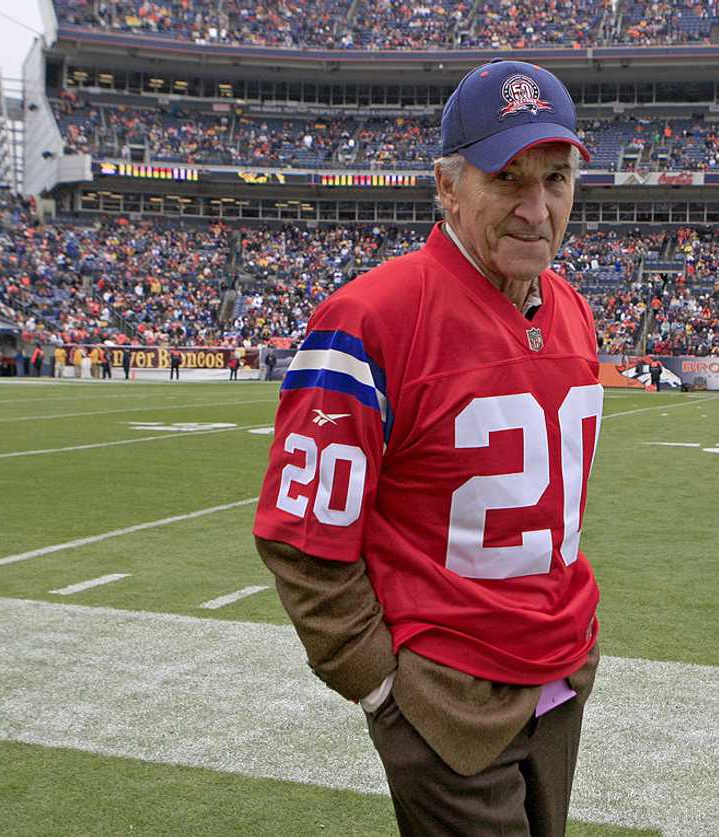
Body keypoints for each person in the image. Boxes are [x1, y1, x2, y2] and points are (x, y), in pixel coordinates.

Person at [253, 59, 600, 837]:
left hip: (560, 677)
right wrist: (383, 692)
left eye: (556, 176)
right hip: (445, 700)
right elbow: (304, 536)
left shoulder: (571, 308)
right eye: (507, 178)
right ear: (448, 186)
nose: (537, 207)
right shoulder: (370, 316)